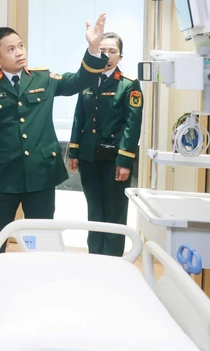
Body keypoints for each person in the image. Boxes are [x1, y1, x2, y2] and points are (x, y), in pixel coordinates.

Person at [0, 14, 108, 257]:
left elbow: (79, 80)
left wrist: (93, 48)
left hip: (41, 174)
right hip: (2, 178)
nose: (20, 52)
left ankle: (40, 284)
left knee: (41, 239)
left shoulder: (43, 78)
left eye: (21, 46)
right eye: (11, 49)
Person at [69, 32, 143, 257]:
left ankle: (113, 262)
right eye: (103, 50)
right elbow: (78, 118)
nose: (107, 55)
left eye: (113, 51)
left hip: (115, 160)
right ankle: (95, 258)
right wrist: (74, 151)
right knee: (94, 208)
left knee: (114, 211)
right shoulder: (87, 80)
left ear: (120, 56)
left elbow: (132, 125)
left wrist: (125, 161)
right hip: (89, 157)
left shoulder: (129, 84)